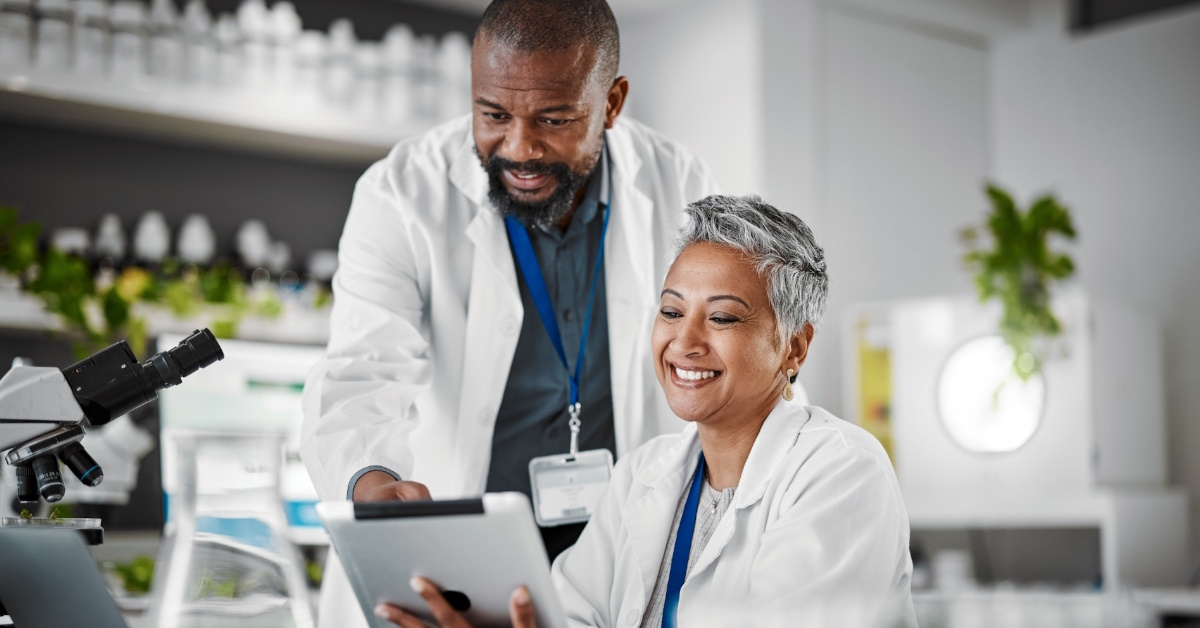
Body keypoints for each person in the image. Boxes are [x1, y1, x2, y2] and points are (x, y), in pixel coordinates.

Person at [299, 0, 723, 625]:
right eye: (493, 114)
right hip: (452, 575)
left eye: (554, 119)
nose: (519, 148)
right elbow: (361, 374)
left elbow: (716, 367)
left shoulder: (677, 182)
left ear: (611, 103)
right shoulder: (400, 192)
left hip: (613, 575)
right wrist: (375, 486)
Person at [375, 195, 915, 628]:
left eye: (723, 318)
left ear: (794, 348)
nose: (685, 341)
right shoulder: (644, 473)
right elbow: (571, 615)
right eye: (671, 310)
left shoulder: (841, 471)